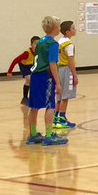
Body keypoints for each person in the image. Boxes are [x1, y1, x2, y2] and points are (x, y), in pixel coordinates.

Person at [26, 16, 67, 145]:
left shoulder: (40, 42)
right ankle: (49, 136)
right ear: (56, 28)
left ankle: (32, 134)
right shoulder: (53, 44)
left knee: (34, 106)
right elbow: (52, 64)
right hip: (46, 76)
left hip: (35, 76)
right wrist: (58, 83)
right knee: (50, 105)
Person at [6, 35, 39, 119]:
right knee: (29, 79)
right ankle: (25, 97)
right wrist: (10, 71)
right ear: (31, 45)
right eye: (35, 44)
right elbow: (15, 60)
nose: (37, 46)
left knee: (33, 80)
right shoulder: (26, 53)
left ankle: (29, 97)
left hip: (31, 65)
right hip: (24, 65)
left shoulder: (39, 52)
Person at [53, 20, 78, 130]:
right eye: (73, 28)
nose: (75, 30)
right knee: (66, 96)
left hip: (58, 69)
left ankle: (55, 118)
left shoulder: (59, 42)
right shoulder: (69, 44)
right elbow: (70, 61)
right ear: (67, 31)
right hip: (66, 70)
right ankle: (62, 119)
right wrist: (75, 75)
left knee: (59, 96)